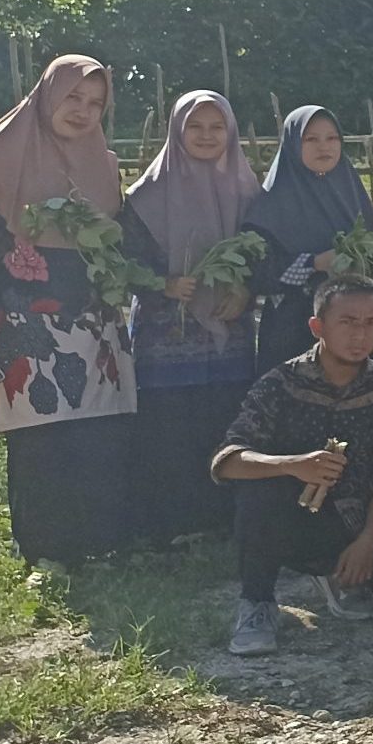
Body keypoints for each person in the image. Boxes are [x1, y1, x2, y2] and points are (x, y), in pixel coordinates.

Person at [0, 54, 138, 563]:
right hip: (21, 320)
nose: (82, 111)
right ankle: (43, 549)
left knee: (94, 431)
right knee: (38, 437)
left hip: (90, 321)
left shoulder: (101, 163)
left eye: (95, 103)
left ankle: (96, 543)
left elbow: (117, 240)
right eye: (73, 96)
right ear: (47, 94)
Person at [211, 274, 373, 657]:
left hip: (358, 521)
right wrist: (293, 465)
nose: (359, 335)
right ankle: (257, 603)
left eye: (371, 323)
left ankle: (345, 579)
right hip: (293, 519)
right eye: (347, 322)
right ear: (318, 327)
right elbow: (228, 460)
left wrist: (368, 540)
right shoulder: (280, 383)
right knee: (259, 488)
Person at [120, 89, 261, 544]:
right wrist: (161, 284)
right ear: (177, 132)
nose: (206, 136)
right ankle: (170, 522)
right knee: (169, 424)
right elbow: (125, 260)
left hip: (228, 332)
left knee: (223, 416)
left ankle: (220, 518)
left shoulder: (248, 192)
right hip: (165, 333)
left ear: (230, 132)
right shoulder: (145, 195)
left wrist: (245, 290)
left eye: (216, 127)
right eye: (195, 127)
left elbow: (264, 254)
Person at [245, 104, 373, 377]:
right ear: (293, 143)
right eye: (311, 139)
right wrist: (313, 263)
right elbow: (259, 273)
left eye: (332, 138)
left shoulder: (352, 195)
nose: (323, 147)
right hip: (290, 332)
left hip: (353, 335)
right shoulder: (271, 203)